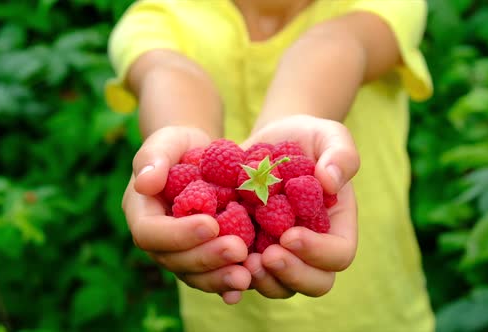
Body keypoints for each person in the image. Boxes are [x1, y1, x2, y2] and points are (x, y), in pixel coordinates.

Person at [104, 0, 435, 331]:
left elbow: (338, 43)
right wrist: (175, 148)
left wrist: (285, 137)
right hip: (224, 317)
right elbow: (171, 73)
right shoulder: (155, 18)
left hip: (377, 314)